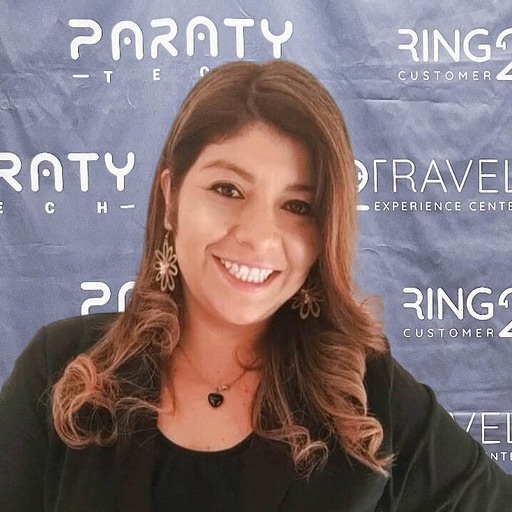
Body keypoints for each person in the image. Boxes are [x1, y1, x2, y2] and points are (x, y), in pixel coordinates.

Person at [0, 60, 511, 512]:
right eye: (228, 189)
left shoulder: (366, 395)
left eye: (297, 206)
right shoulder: (62, 369)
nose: (258, 237)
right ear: (171, 197)